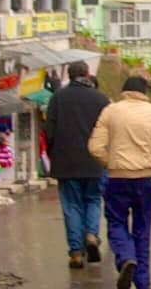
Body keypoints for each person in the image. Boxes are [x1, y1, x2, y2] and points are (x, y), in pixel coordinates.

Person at [88, 76, 151, 289]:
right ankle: (142, 282)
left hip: (117, 179)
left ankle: (124, 259)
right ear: (144, 93)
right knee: (142, 231)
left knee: (116, 223)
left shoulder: (110, 111)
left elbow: (94, 147)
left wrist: (111, 162)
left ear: (124, 91)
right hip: (146, 180)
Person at [45, 61, 111, 269]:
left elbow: (49, 132)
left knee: (71, 206)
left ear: (70, 76)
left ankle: (75, 252)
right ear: (87, 74)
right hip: (94, 161)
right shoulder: (101, 99)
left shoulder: (57, 98)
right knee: (92, 200)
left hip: (66, 162)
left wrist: (54, 153)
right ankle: (91, 235)